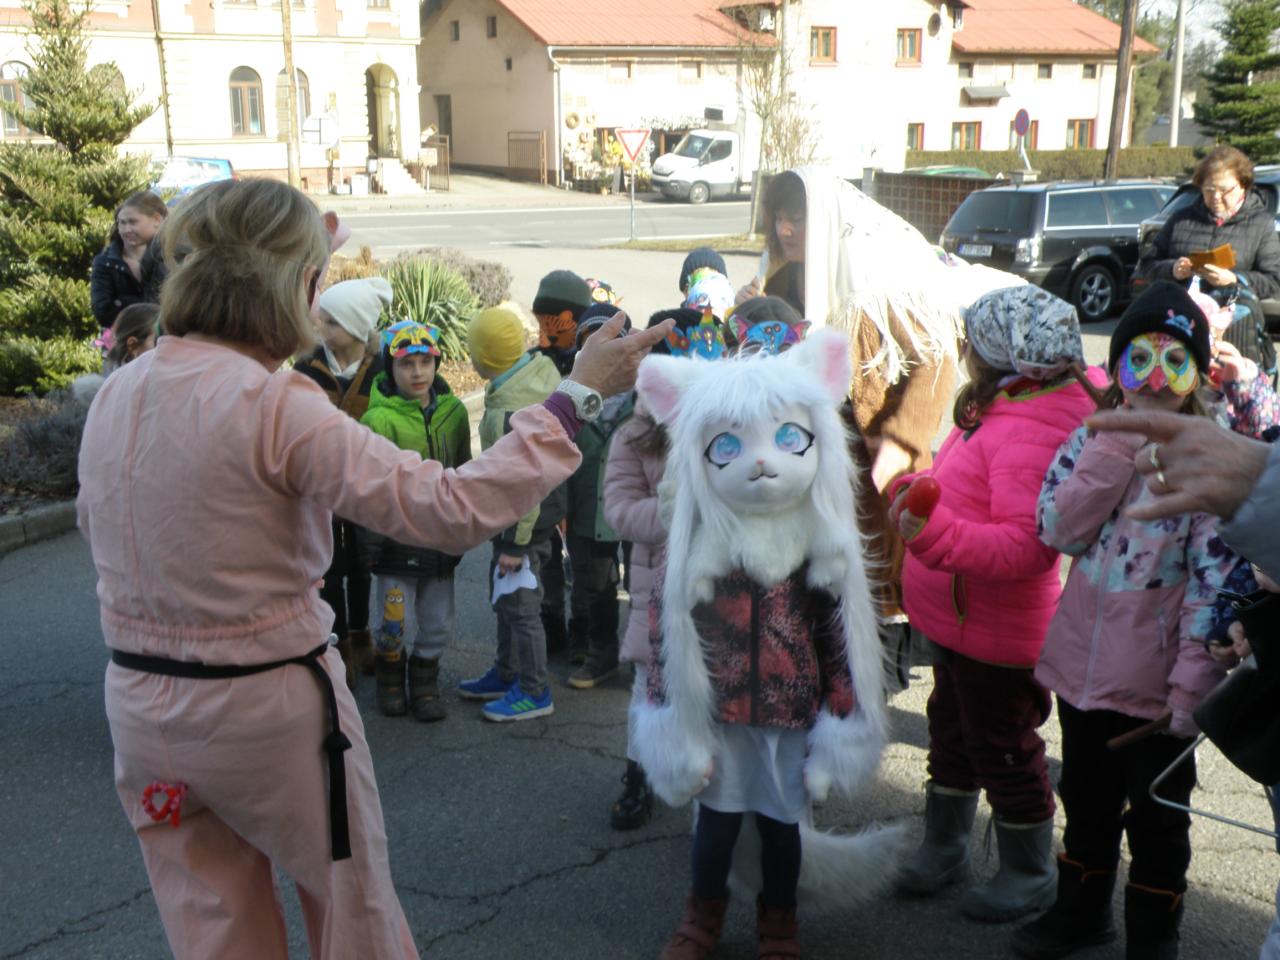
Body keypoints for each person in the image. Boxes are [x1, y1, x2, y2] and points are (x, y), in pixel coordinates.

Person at [76, 176, 672, 960]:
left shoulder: (118, 393)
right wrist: (577, 395)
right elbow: (450, 506)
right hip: (267, 709)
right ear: (298, 284)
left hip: (144, 711)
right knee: (352, 913)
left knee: (213, 929)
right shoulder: (276, 404)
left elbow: (102, 528)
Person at [635, 328, 895, 960]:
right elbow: (665, 637)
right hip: (719, 719)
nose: (759, 461)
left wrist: (842, 720)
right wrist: (669, 722)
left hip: (790, 716)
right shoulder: (695, 548)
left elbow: (841, 640)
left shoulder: (821, 547)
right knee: (716, 827)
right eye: (728, 445)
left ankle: (779, 924)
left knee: (783, 831)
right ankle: (702, 919)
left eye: (787, 439)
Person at [1013, 282, 1243, 960]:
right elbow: (1057, 530)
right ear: (1116, 368)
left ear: (1198, 373)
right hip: (1082, 675)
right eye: (1139, 359)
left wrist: (1191, 686)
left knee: (1158, 818)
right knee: (1085, 800)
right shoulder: (1088, 442)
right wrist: (1111, 453)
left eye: (1175, 360)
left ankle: (1153, 937)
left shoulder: (1207, 462)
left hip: (1158, 686)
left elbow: (1215, 584)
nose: (1155, 378)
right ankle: (1080, 914)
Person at [891, 287, 1104, 922]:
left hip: (996, 632)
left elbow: (1027, 548)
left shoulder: (1035, 426)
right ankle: (946, 844)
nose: (964, 351)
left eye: (972, 341)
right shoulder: (1010, 401)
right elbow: (967, 486)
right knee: (953, 732)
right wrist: (920, 487)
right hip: (964, 622)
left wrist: (934, 535)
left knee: (1004, 748)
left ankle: (1029, 873)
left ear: (1005, 353)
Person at [600, 307, 728, 831]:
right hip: (660, 586)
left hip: (725, 586)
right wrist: (670, 513)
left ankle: (718, 791)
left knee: (720, 685)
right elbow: (618, 509)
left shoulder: (736, 425)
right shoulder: (635, 434)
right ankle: (641, 774)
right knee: (649, 687)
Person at [458, 305, 569, 722]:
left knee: (521, 607)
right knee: (505, 599)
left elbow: (525, 485)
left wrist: (514, 545)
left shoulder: (511, 414)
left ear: (483, 359)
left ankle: (535, 690)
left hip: (524, 527)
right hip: (520, 523)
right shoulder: (534, 373)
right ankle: (506, 673)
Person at [360, 320, 471, 721]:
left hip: (439, 540)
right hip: (395, 541)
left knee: (438, 622)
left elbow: (465, 475)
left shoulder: (454, 414)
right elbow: (368, 489)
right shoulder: (377, 420)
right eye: (406, 363)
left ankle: (425, 682)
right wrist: (370, 542)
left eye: (426, 361)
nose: (418, 372)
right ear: (390, 368)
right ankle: (390, 681)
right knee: (393, 622)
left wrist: (463, 529)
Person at [292, 277, 391, 686]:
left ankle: (362, 635)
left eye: (332, 322)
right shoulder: (307, 367)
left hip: (365, 483)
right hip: (321, 485)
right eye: (323, 319)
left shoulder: (383, 370)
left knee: (363, 565)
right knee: (328, 567)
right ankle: (338, 646)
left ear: (356, 327)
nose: (322, 328)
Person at [1138, 145, 1280, 373]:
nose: (1215, 197)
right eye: (1208, 189)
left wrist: (1233, 279)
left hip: (1234, 335)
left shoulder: (1261, 224)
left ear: (1242, 185)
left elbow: (1273, 280)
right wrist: (1172, 269)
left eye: (1224, 190)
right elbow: (1147, 265)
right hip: (1180, 331)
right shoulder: (1181, 219)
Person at [558, 301, 635, 690]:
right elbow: (556, 455)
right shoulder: (568, 398)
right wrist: (560, 509)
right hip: (588, 507)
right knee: (597, 585)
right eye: (591, 343)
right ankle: (601, 653)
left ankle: (644, 658)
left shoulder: (645, 396)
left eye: (612, 341)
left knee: (643, 584)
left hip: (638, 509)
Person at [90, 191, 168, 332]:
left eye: (133, 222)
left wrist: (122, 302)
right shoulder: (105, 262)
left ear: (157, 219)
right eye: (122, 223)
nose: (127, 230)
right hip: (122, 340)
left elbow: (168, 306)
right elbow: (103, 312)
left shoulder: (169, 257)